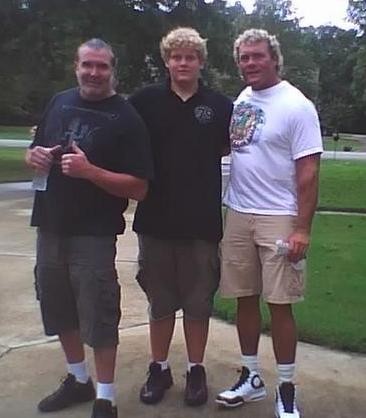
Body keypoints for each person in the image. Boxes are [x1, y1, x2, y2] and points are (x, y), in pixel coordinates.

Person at [25, 38, 153, 418]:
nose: (94, 73)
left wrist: (90, 172)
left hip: (93, 233)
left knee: (97, 312)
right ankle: (78, 379)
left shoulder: (126, 118)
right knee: (57, 304)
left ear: (113, 69)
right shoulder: (59, 102)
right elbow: (35, 149)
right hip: (49, 224)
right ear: (76, 66)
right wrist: (33, 156)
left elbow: (141, 188)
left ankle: (106, 397)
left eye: (102, 66)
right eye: (87, 65)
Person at [215, 29, 323, 418]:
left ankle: (287, 387)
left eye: (258, 56)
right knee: (244, 298)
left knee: (280, 305)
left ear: (275, 59)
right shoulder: (242, 100)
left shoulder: (297, 105)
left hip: (280, 218)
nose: (250, 63)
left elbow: (309, 173)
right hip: (239, 213)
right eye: (244, 57)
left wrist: (302, 228)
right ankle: (252, 377)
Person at [129, 27, 232, 407]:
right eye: (177, 56)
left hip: (201, 223)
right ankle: (158, 367)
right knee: (160, 301)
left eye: (190, 56)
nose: (183, 62)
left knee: (198, 302)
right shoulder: (144, 101)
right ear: (166, 60)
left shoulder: (221, 107)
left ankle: (195, 368)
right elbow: (119, 138)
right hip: (155, 220)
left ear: (201, 61)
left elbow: (231, 145)